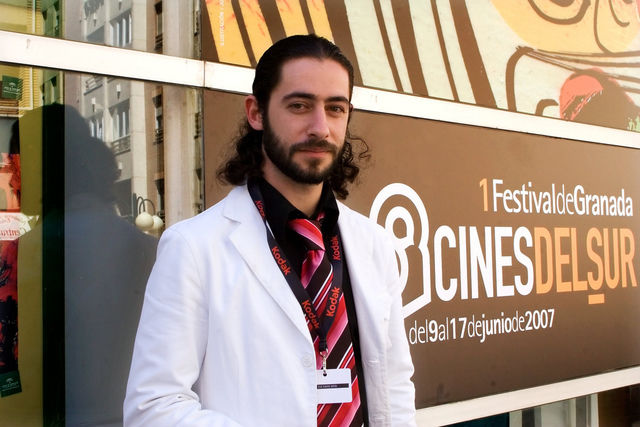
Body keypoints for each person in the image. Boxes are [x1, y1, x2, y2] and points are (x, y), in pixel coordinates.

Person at [124, 34, 416, 426]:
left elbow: (394, 385)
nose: (320, 127)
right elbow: (154, 406)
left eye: (335, 108)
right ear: (256, 113)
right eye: (299, 105)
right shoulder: (193, 248)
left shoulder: (373, 243)